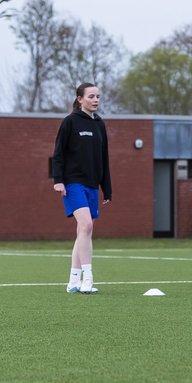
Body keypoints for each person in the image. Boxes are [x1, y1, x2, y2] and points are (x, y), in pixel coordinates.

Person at [52, 83, 113, 294]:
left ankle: (73, 281)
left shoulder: (100, 124)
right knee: (86, 226)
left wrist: (107, 187)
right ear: (80, 99)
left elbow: (104, 158)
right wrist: (58, 180)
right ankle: (88, 278)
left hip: (92, 185)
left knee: (83, 231)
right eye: (91, 96)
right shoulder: (70, 122)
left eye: (98, 96)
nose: (95, 100)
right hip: (72, 183)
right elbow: (58, 153)